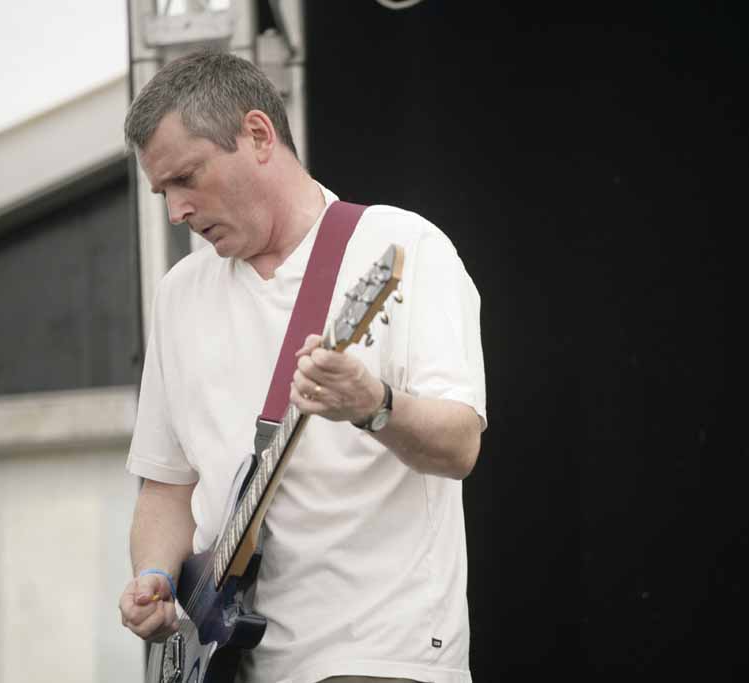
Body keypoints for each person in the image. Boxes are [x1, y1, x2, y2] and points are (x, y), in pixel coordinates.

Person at [117, 49, 486, 683]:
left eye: (186, 178)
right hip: (231, 661)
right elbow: (167, 487)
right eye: (162, 191)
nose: (175, 210)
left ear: (258, 135)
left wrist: (374, 406)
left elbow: (458, 446)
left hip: (379, 650)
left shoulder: (403, 247)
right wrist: (152, 576)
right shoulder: (179, 293)